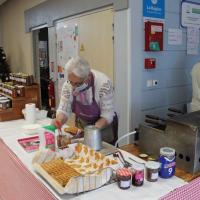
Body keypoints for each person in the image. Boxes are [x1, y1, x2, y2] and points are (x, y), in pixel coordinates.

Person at [52, 56, 118, 144]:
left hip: (103, 126)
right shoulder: (68, 85)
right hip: (83, 123)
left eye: (78, 84)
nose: (73, 86)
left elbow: (107, 116)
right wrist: (59, 120)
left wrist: (91, 131)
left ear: (88, 77)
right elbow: (64, 109)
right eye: (71, 82)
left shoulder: (104, 85)